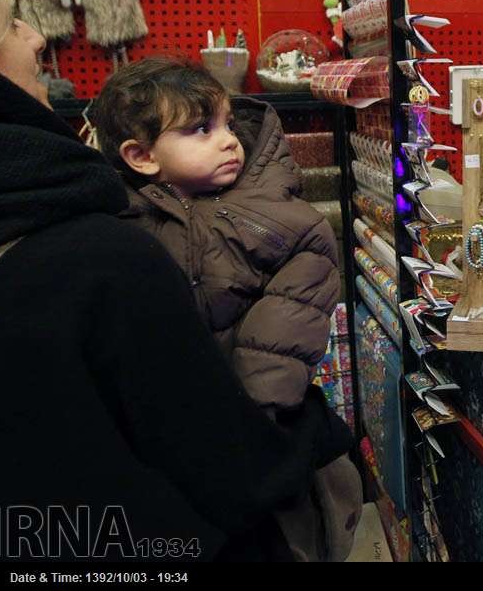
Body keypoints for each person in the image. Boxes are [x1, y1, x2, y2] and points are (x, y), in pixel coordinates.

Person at [0, 0, 352, 560]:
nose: (35, 37)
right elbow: (233, 467)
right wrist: (315, 431)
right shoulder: (90, 259)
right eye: (9, 22)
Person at [88, 58, 360, 560]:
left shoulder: (285, 223)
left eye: (228, 124)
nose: (229, 140)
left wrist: (248, 422)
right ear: (141, 156)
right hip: (169, 451)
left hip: (260, 436)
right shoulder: (115, 224)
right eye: (201, 129)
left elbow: (278, 341)